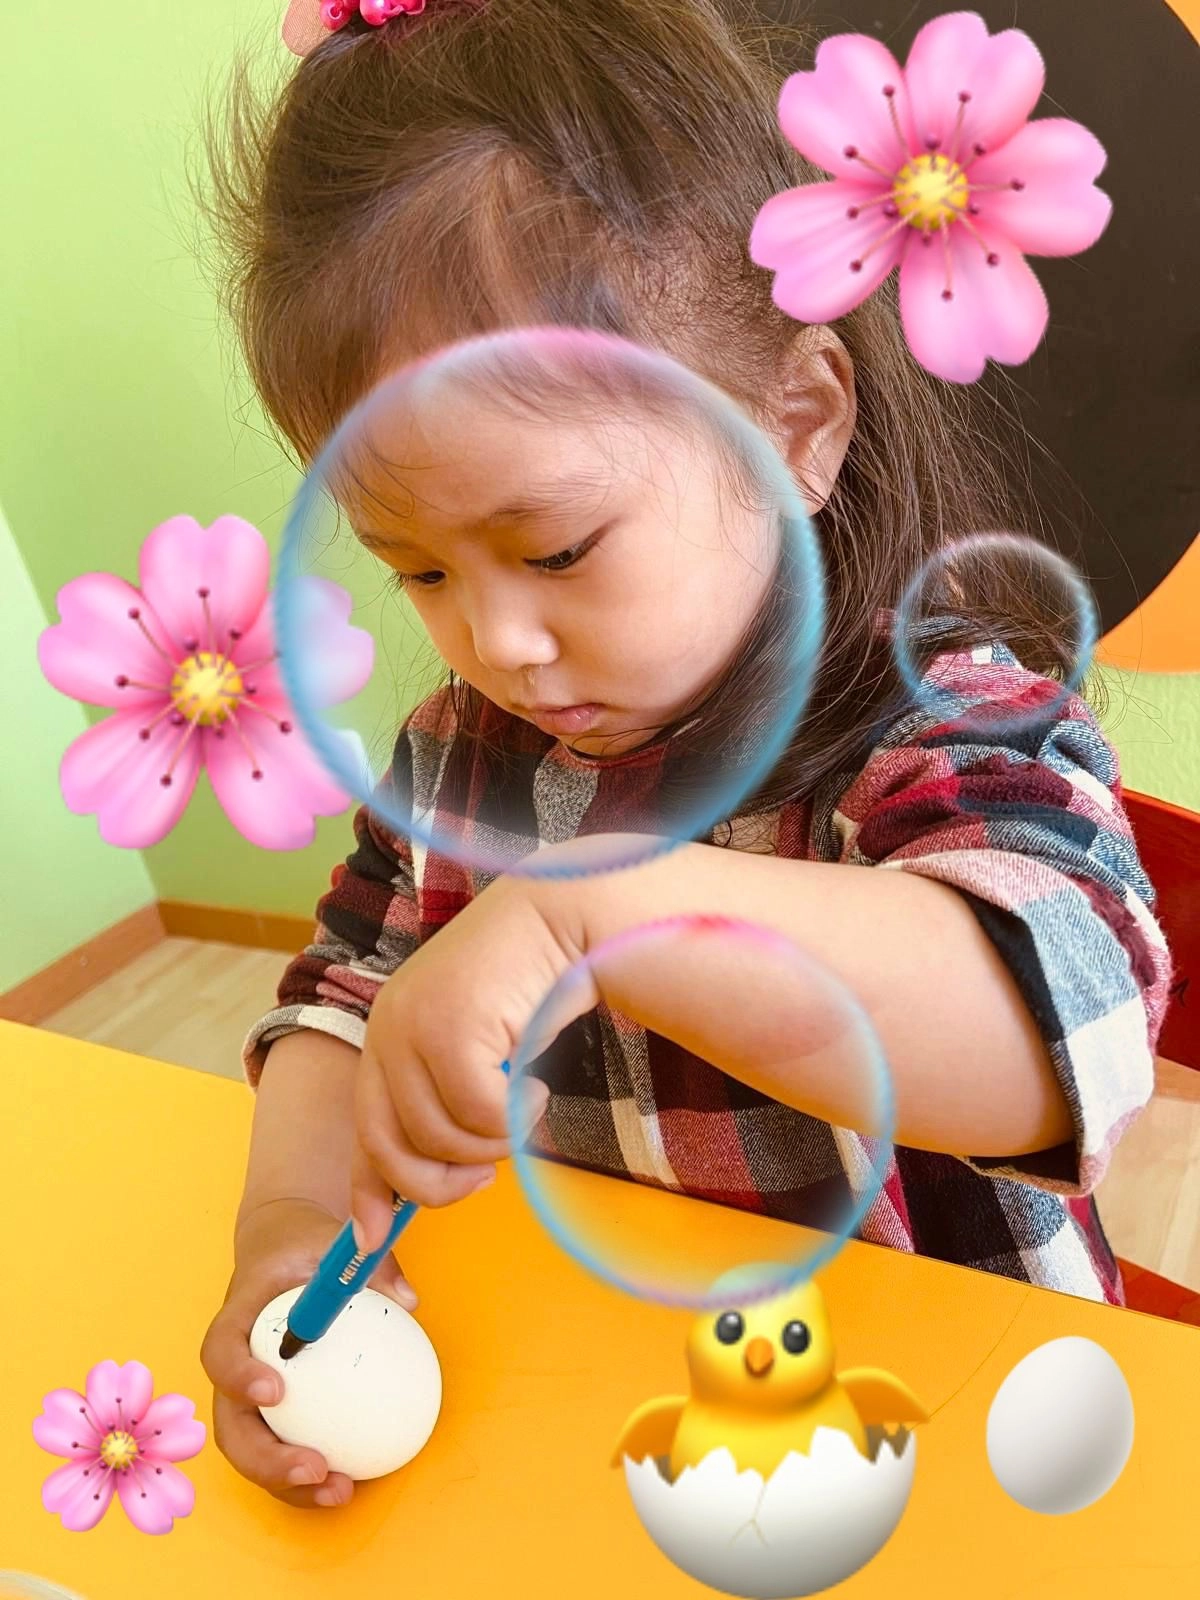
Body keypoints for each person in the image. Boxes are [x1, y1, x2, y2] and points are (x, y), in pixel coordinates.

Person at [197, 0, 1171, 1509]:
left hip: (942, 1436)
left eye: (557, 548)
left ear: (796, 424)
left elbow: (1064, 1037)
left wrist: (602, 907)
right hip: (620, 1413)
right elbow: (342, 1002)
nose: (498, 642)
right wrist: (287, 1236)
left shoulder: (946, 713)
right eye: (422, 571)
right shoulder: (462, 755)